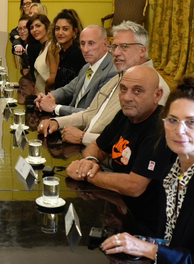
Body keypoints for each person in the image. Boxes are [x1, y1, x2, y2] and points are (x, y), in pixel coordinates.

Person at [101, 76, 194, 264]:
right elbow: (169, 238)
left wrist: (150, 250)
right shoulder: (171, 170)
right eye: (172, 120)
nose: (179, 130)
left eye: (191, 122)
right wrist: (140, 243)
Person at [66, 65, 174, 236]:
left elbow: (134, 186)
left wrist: (88, 174)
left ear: (157, 95)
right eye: (123, 89)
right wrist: (90, 162)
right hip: (120, 206)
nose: (127, 97)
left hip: (148, 226)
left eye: (137, 91)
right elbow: (96, 147)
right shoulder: (125, 115)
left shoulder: (159, 130)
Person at [38, 21, 170, 145]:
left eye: (124, 47)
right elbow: (90, 114)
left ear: (142, 50)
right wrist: (56, 122)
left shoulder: (155, 88)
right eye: (114, 47)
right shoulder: (120, 76)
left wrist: (83, 137)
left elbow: (133, 141)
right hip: (89, 148)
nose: (116, 53)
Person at [35, 25, 116, 116]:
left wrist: (55, 107)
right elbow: (68, 90)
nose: (85, 49)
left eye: (91, 43)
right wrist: (47, 98)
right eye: (82, 43)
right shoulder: (87, 67)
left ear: (105, 44)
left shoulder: (112, 72)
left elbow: (92, 113)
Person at [43, 9, 87, 89]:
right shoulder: (63, 51)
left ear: (75, 31)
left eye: (65, 29)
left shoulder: (76, 53)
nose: (60, 33)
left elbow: (74, 87)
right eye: (57, 29)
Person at [25, 14, 51, 93]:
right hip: (39, 92)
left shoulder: (52, 46)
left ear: (46, 26)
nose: (34, 30)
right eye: (31, 28)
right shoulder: (42, 46)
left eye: (38, 26)